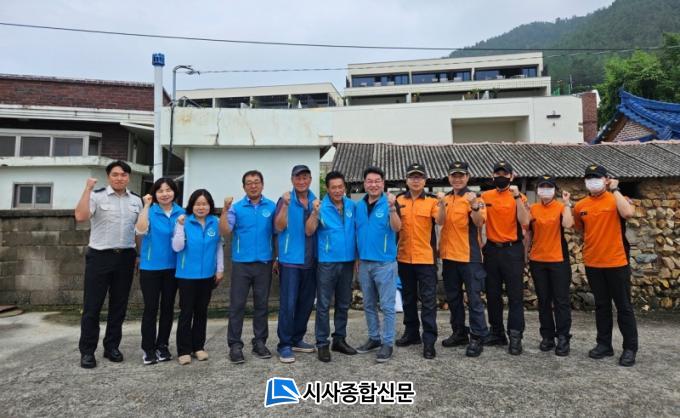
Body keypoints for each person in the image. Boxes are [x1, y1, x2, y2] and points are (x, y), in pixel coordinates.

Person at [74, 160, 143, 369]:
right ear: (108, 177)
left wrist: (138, 255)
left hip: (126, 257)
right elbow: (80, 216)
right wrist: (87, 189)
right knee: (92, 306)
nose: (119, 178)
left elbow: (138, 230)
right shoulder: (96, 196)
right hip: (100, 257)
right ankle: (87, 351)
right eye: (115, 174)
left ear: (128, 177)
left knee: (119, 306)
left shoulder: (136, 201)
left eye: (123, 174)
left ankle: (112, 346)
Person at [573, 164, 638, 367]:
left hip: (617, 262)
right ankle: (604, 344)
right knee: (601, 306)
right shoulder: (580, 206)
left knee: (624, 306)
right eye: (589, 177)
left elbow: (628, 214)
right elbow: (580, 229)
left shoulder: (617, 199)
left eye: (597, 177)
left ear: (606, 179)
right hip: (593, 262)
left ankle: (630, 348)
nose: (593, 181)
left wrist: (616, 189)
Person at [219, 170, 277, 364]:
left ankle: (259, 342)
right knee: (237, 306)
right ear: (244, 187)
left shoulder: (271, 206)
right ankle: (235, 345)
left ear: (262, 184)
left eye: (256, 182)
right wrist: (225, 209)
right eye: (249, 183)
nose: (253, 185)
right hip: (241, 264)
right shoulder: (236, 208)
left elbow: (277, 232)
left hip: (264, 264)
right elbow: (225, 230)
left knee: (262, 305)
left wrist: (277, 258)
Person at [305, 171, 358, 362]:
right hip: (327, 262)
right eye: (333, 187)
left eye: (340, 186)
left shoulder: (352, 205)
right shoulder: (320, 206)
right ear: (327, 189)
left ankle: (339, 339)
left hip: (348, 261)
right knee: (324, 304)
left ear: (345, 187)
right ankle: (322, 343)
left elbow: (357, 231)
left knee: (343, 303)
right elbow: (309, 231)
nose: (337, 190)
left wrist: (357, 257)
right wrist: (314, 213)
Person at [394, 163, 445, 360]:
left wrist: (442, 205)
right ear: (407, 180)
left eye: (419, 177)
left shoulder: (432, 201)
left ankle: (429, 340)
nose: (416, 181)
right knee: (408, 298)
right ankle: (412, 333)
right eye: (412, 177)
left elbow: (440, 221)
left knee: (428, 301)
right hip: (404, 257)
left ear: (425, 181)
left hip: (425, 259)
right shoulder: (399, 200)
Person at [439, 161, 489, 357]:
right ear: (449, 178)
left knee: (474, 299)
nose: (457, 179)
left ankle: (477, 336)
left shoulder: (475, 198)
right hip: (449, 256)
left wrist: (474, 206)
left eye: (461, 175)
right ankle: (459, 332)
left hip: (469, 257)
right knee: (453, 298)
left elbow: (479, 222)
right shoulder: (446, 199)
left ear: (467, 177)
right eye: (454, 175)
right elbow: (440, 222)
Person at [481, 160, 530, 355]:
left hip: (512, 250)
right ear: (492, 176)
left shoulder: (520, 197)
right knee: (492, 295)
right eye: (498, 173)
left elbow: (525, 221)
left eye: (505, 174)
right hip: (492, 250)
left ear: (512, 176)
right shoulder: (485, 196)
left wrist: (517, 197)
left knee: (515, 296)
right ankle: (497, 332)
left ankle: (515, 336)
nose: (501, 177)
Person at [172, 189, 224, 365]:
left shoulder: (215, 222)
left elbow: (218, 247)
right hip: (187, 275)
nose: (201, 207)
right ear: (191, 205)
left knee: (201, 312)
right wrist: (180, 227)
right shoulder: (183, 221)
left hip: (207, 275)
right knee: (186, 312)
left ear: (210, 206)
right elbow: (177, 247)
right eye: (197, 204)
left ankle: (198, 347)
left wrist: (220, 269)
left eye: (205, 204)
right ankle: (183, 350)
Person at [135, 177, 184, 365]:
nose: (165, 194)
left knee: (167, 308)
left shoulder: (182, 212)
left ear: (174, 192)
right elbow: (140, 230)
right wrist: (146, 206)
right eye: (160, 191)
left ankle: (162, 345)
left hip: (173, 268)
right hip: (150, 267)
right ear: (154, 194)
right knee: (151, 308)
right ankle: (148, 348)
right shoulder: (150, 211)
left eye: (168, 190)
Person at [355, 166, 401, 363]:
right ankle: (374, 338)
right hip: (364, 263)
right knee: (368, 304)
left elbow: (397, 227)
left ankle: (387, 343)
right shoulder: (359, 206)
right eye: (369, 181)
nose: (373, 184)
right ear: (364, 184)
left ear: (383, 183)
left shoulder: (390, 203)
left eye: (377, 181)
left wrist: (392, 208)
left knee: (387, 306)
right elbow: (357, 232)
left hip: (385, 263)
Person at [274, 165, 318, 363]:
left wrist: (315, 211)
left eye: (305, 177)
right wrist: (285, 205)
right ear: (292, 180)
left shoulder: (316, 201)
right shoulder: (285, 200)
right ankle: (284, 344)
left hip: (311, 260)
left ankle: (297, 339)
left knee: (306, 303)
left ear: (310, 179)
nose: (301, 181)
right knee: (288, 304)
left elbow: (313, 230)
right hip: (290, 261)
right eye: (298, 178)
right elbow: (278, 226)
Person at [527, 175, 574, 356]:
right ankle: (547, 336)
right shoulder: (533, 208)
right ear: (538, 190)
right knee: (544, 300)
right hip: (538, 260)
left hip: (558, 260)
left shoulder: (561, 207)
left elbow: (568, 224)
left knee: (561, 300)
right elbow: (528, 233)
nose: (545, 190)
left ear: (554, 190)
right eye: (542, 187)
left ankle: (563, 337)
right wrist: (525, 255)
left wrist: (567, 204)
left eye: (549, 187)